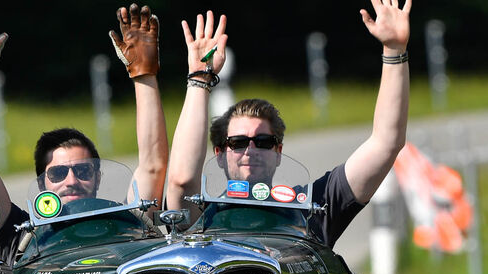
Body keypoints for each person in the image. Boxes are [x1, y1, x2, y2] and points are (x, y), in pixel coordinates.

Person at [165, 0, 413, 248]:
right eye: (238, 143)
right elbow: (181, 180)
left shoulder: (308, 208)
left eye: (263, 142)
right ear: (219, 154)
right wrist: (199, 79)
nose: (250, 151)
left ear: (278, 152)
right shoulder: (202, 218)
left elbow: (386, 143)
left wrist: (394, 50)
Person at [0, 4, 168, 264]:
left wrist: (144, 74)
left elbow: (153, 166)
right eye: (57, 173)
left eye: (82, 171)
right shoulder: (24, 236)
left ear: (97, 177)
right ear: (42, 183)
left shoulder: (128, 222)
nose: (71, 181)